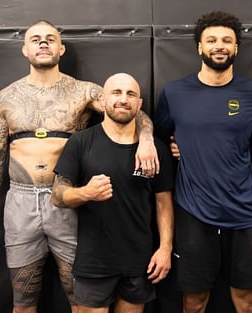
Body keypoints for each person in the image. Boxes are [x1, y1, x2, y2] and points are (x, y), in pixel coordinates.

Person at [0, 20, 158, 313]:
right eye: (35, 39)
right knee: (22, 301)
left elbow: (128, 108)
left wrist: (147, 139)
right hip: (21, 202)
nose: (43, 43)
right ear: (25, 50)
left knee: (81, 299)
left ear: (61, 48)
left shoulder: (84, 92)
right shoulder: (5, 98)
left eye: (50, 38)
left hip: (70, 200)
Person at [154, 11, 252, 313]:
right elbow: (159, 135)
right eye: (211, 40)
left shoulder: (251, 94)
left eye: (226, 40)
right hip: (195, 211)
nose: (219, 45)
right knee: (194, 302)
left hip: (245, 211)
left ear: (236, 48)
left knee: (247, 302)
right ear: (199, 47)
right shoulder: (174, 92)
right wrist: (165, 145)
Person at [51, 73, 174, 313]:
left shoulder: (155, 148)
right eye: (116, 93)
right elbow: (57, 195)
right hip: (94, 261)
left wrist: (166, 248)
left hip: (139, 261)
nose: (123, 99)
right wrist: (86, 193)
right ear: (102, 100)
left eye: (131, 94)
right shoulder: (81, 142)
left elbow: (164, 203)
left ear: (139, 104)